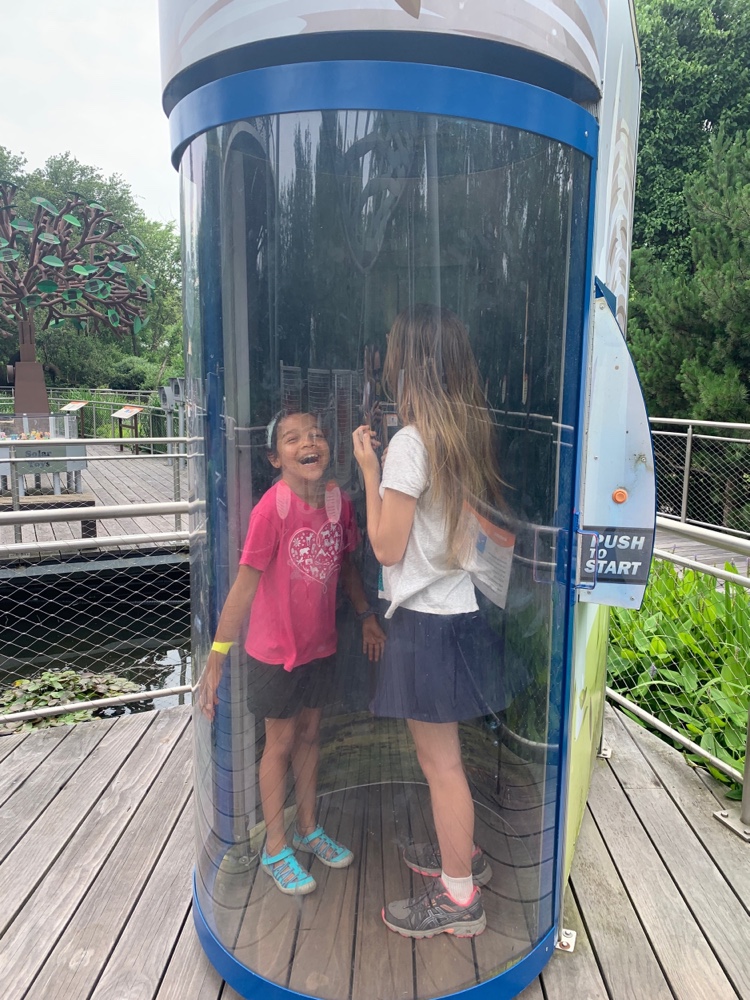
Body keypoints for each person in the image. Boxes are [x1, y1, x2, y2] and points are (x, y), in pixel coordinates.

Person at [352, 303, 503, 939]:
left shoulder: (412, 443)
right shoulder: (461, 432)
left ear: (410, 363)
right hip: (456, 609)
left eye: (392, 350)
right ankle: (460, 855)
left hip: (427, 623)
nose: (384, 361)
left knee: (441, 764)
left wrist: (370, 472)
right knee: (443, 759)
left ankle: (459, 897)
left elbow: (387, 548)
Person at [200, 411, 385, 895]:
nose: (309, 443)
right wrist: (217, 656)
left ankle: (307, 828)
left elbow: (346, 567)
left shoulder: (337, 503)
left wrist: (365, 614)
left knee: (310, 735)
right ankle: (275, 847)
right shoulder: (271, 510)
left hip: (319, 647)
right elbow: (244, 586)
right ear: (275, 457)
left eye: (317, 435)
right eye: (293, 438)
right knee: (278, 744)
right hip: (274, 653)